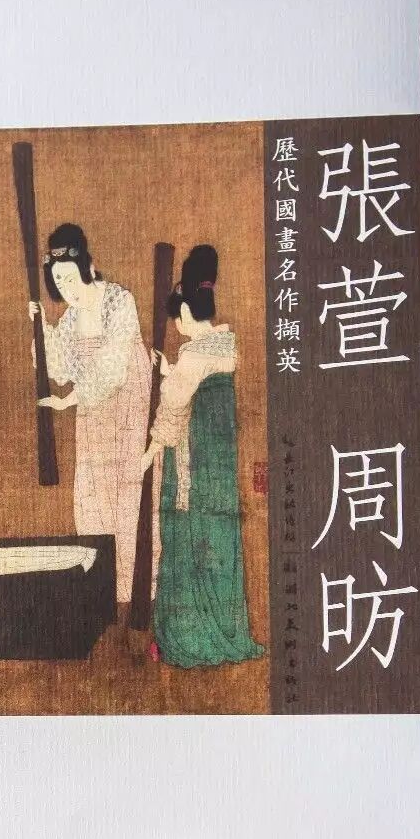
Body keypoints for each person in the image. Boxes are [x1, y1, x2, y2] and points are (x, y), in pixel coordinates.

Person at [138, 244, 264, 668]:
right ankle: (227, 629)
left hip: (192, 464)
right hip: (219, 465)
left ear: (188, 314)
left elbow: (174, 408)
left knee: (186, 538)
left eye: (178, 319)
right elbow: (197, 388)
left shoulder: (193, 355)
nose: (177, 327)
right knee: (218, 537)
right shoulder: (225, 345)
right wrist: (169, 370)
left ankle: (186, 637)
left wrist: (150, 451)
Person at [31, 223, 149, 610]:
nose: (66, 288)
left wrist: (70, 400)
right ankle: (105, 587)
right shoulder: (70, 318)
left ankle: (138, 588)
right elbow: (60, 370)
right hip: (93, 417)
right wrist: (41, 329)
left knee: (129, 493)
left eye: (69, 278)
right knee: (93, 495)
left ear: (88, 267)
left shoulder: (119, 301)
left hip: (128, 412)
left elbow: (114, 366)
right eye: (58, 282)